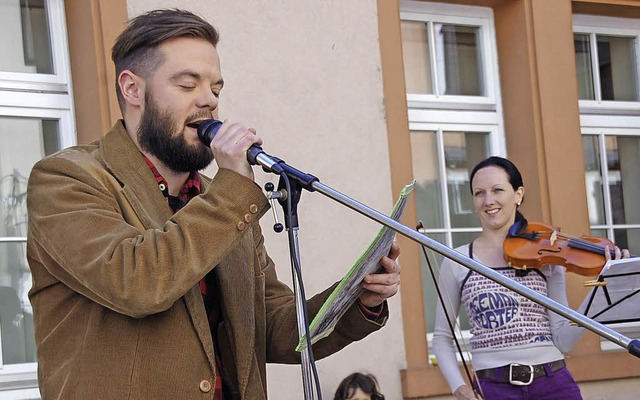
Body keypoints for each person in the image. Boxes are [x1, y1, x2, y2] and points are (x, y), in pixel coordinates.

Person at [26, 9, 401, 400]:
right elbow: (137, 283)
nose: (208, 101)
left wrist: (359, 298)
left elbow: (271, 327)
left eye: (216, 89)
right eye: (188, 85)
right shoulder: (68, 179)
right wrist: (234, 190)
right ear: (132, 89)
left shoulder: (221, 199)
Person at [431, 156, 628, 400]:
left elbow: (564, 340)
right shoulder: (457, 261)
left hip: (553, 384)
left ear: (518, 194)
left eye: (498, 190)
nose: (488, 201)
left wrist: (602, 289)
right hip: (493, 388)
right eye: (479, 193)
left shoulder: (546, 257)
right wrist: (459, 388)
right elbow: (442, 338)